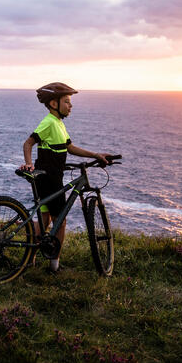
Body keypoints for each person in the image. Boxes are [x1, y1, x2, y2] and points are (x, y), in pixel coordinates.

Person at [21, 82, 113, 273]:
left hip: (48, 177)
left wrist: (96, 155)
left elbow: (69, 147)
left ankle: (29, 261)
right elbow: (28, 143)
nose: (71, 106)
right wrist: (29, 163)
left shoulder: (58, 124)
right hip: (50, 179)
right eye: (67, 102)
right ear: (54, 104)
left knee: (44, 219)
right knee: (60, 221)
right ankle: (54, 266)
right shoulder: (49, 123)